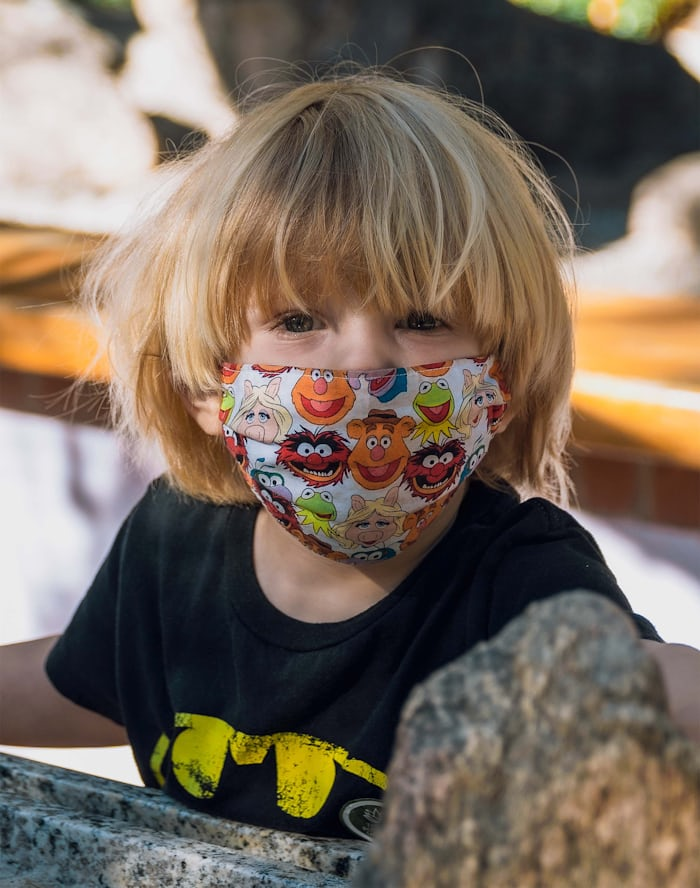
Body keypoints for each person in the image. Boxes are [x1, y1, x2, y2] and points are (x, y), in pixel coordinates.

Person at [1, 69, 698, 842]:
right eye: (298, 320)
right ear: (205, 385)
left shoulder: (516, 580)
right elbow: (94, 682)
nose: (365, 363)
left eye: (423, 318)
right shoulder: (175, 543)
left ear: (501, 378)